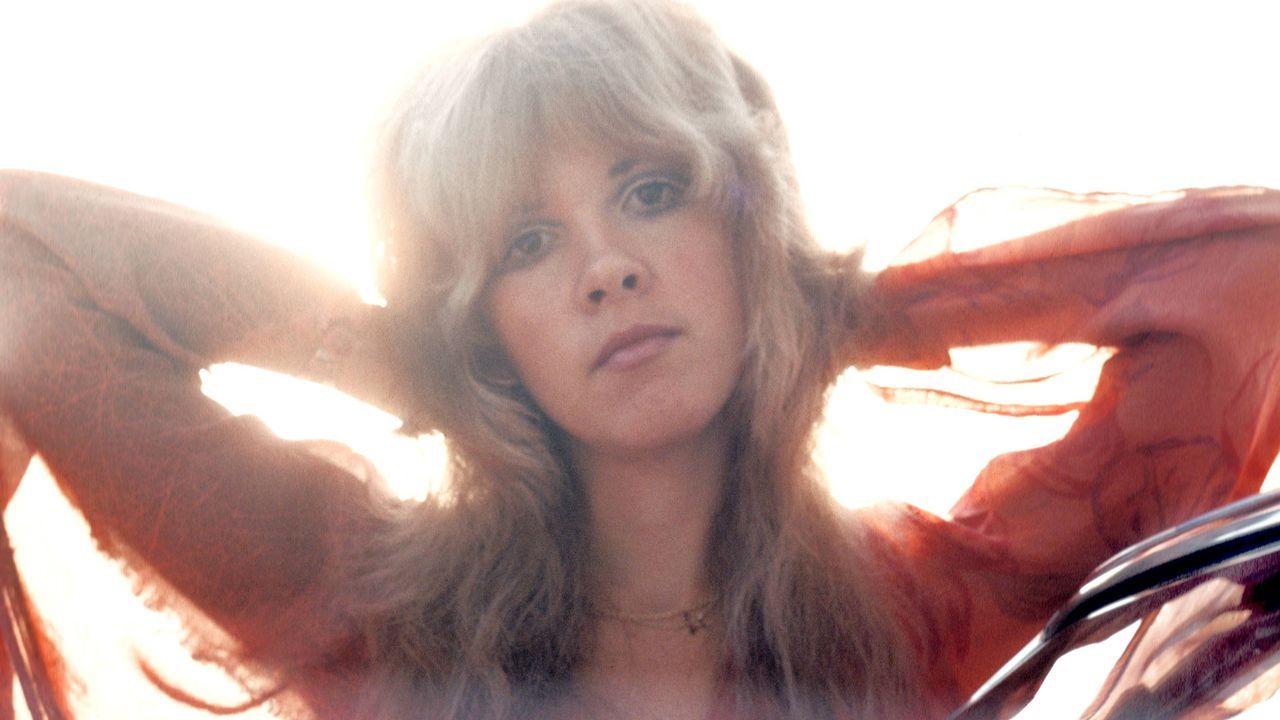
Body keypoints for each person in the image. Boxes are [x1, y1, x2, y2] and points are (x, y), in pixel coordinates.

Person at [1, 0, 1279, 718]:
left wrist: (828, 305)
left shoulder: (909, 612)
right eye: (525, 242)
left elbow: (1255, 280)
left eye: (653, 190)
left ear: (744, 217)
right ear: (473, 313)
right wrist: (416, 365)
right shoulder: (368, 606)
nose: (604, 268)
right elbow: (22, 262)